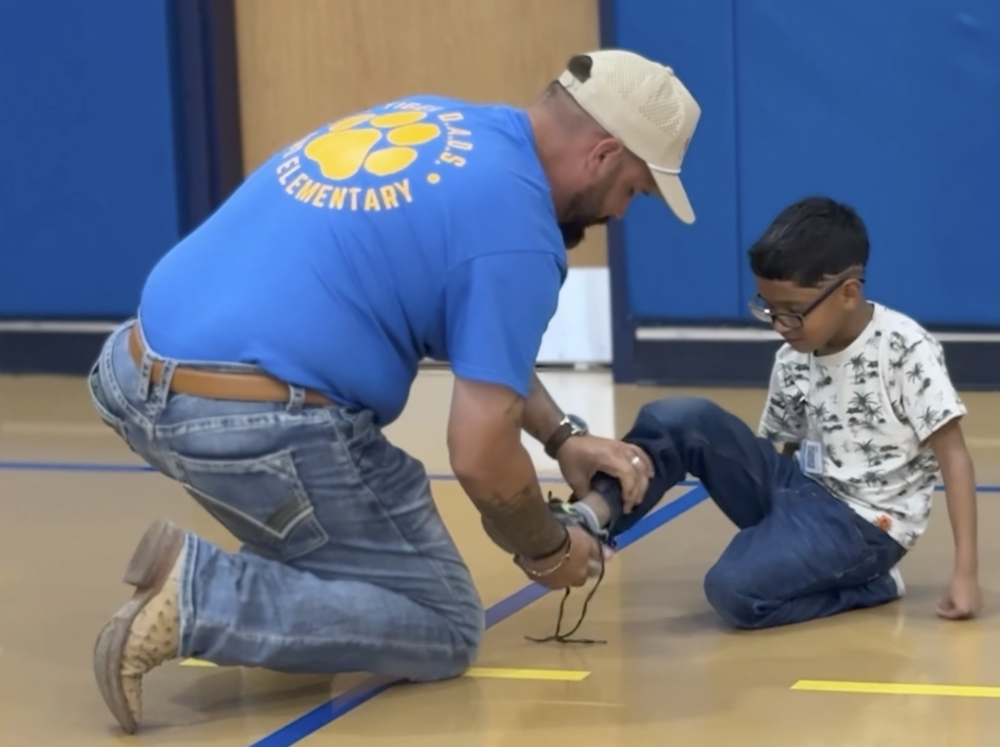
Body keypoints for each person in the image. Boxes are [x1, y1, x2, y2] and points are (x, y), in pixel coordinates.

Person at [87, 49, 701, 733]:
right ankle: (202, 596)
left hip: (132, 371)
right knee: (442, 622)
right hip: (249, 421)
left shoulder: (439, 123)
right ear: (604, 154)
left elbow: (475, 333)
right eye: (635, 191)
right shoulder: (520, 233)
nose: (622, 211)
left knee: (358, 563)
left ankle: (277, 574)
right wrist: (549, 549)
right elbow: (477, 453)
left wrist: (563, 436)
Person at [549, 196, 982, 629]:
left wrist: (965, 573)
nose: (778, 325)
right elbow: (784, 448)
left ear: (849, 292)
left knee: (733, 590)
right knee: (679, 417)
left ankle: (873, 584)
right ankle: (594, 516)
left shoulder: (905, 349)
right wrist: (778, 521)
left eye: (792, 313)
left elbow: (955, 459)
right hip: (799, 490)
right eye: (769, 309)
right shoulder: (794, 354)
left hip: (865, 524)